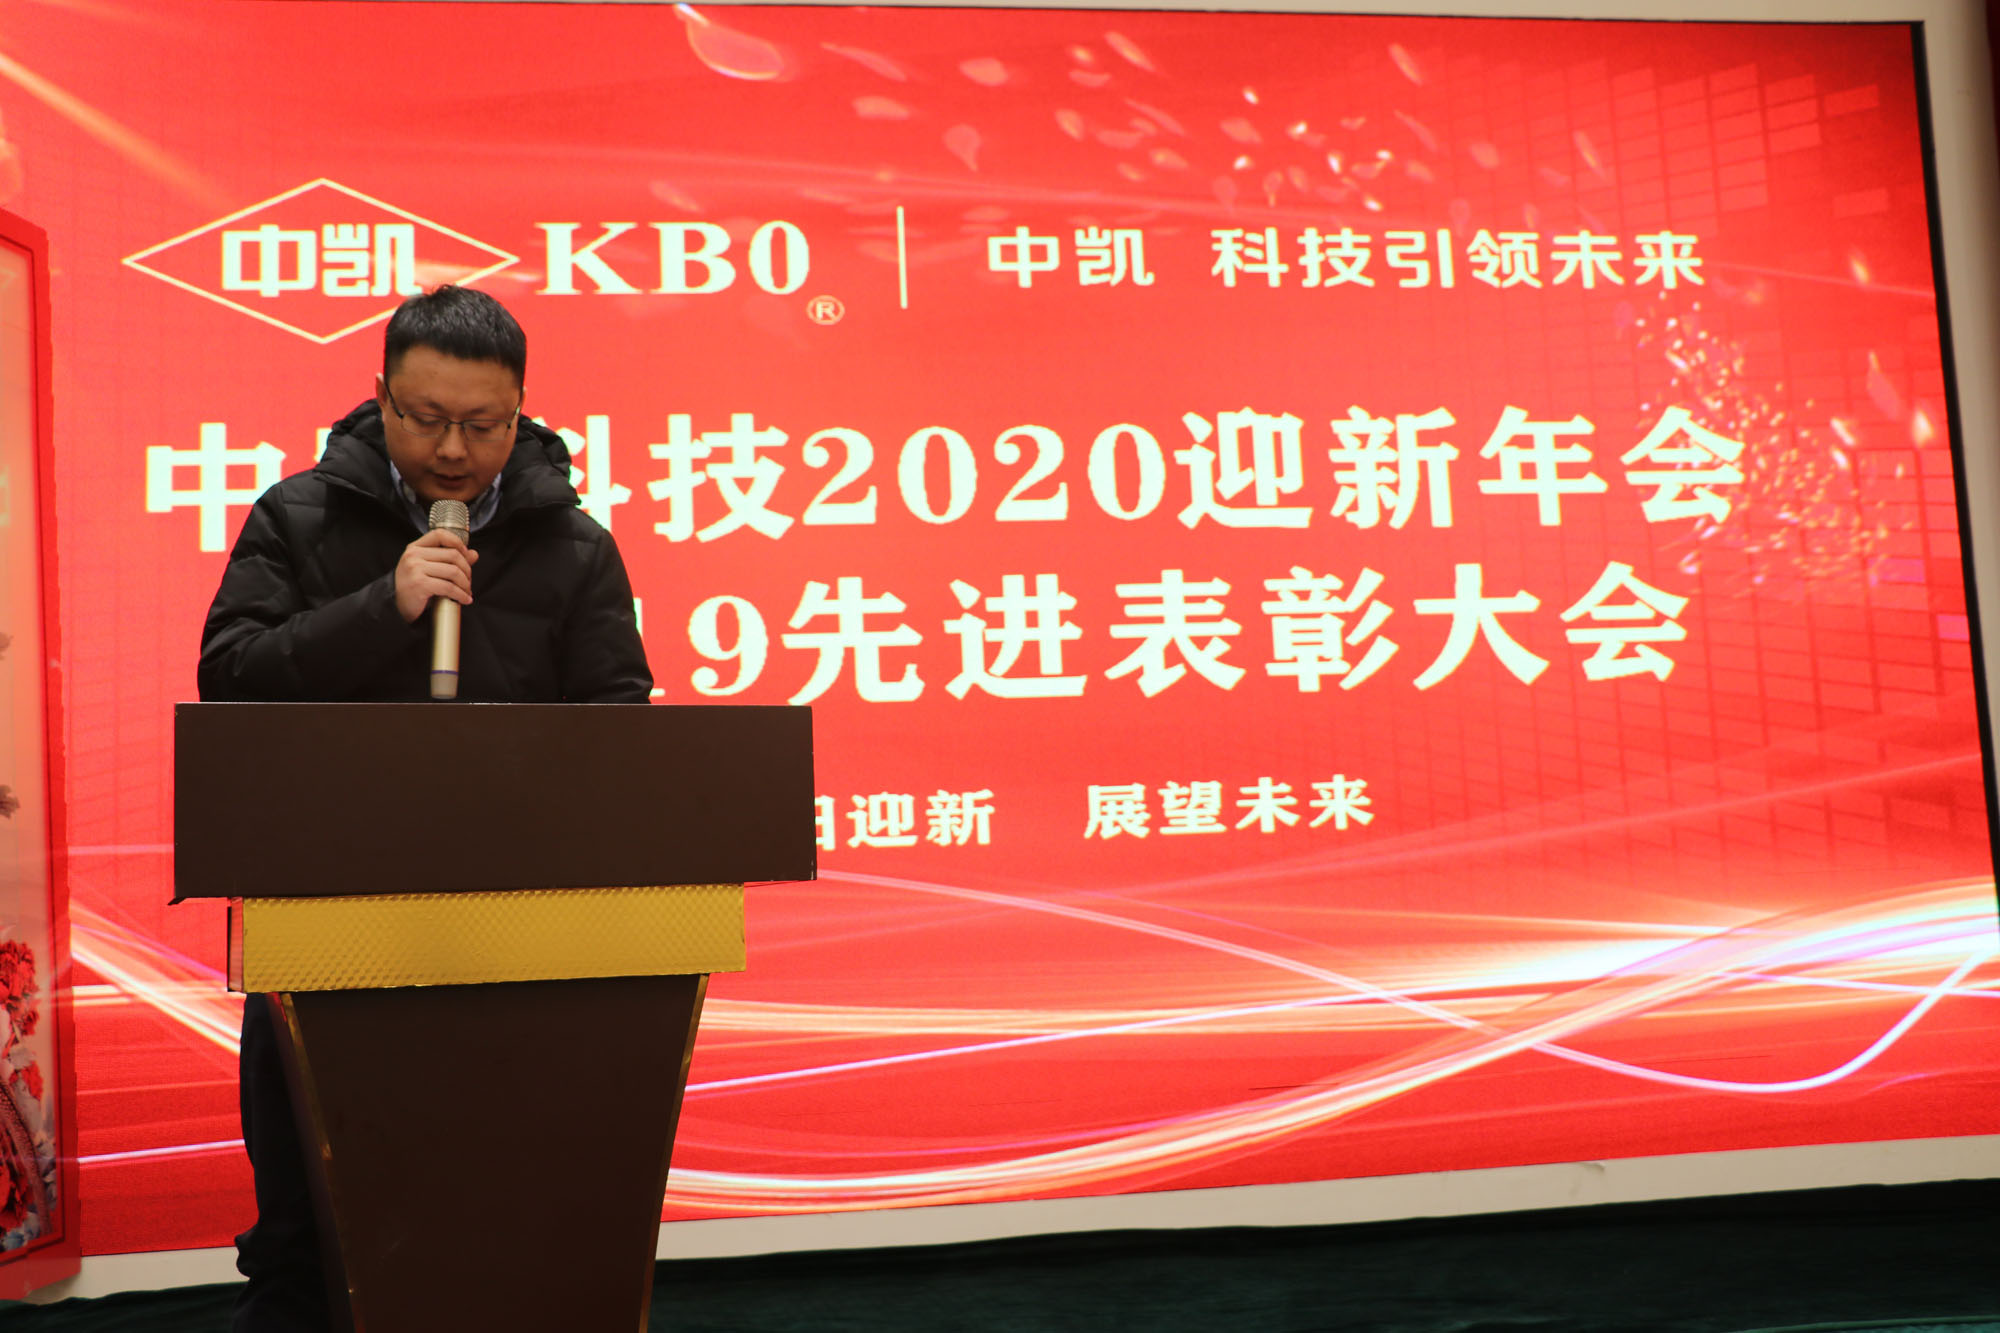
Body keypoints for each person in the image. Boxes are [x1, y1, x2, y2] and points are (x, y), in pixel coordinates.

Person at [198, 285, 652, 1332]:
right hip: (326, 915)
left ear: (520, 411)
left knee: (496, 1207)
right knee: (309, 1219)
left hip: (513, 931)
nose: (452, 450)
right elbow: (229, 679)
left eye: (482, 425)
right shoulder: (297, 516)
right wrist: (383, 606)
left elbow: (618, 730)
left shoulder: (575, 545)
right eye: (426, 418)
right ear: (381, 396)